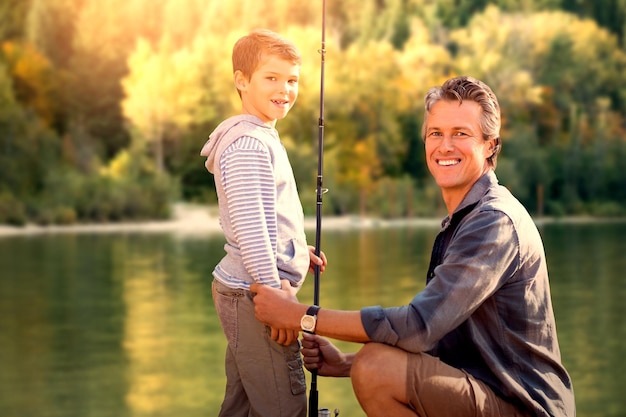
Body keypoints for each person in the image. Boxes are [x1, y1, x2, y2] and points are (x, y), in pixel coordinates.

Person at [251, 76, 576, 417]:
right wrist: (346, 363)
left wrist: (299, 316)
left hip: (526, 408)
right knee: (370, 361)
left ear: (491, 144)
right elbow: (440, 336)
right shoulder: (466, 219)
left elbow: (418, 328)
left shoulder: (494, 222)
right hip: (489, 393)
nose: (445, 146)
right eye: (436, 133)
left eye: (461, 134)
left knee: (376, 367)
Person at [200, 29, 326, 417]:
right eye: (271, 77)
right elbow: (252, 233)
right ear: (242, 80)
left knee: (242, 407)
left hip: (248, 289)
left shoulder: (258, 136)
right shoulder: (248, 145)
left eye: (292, 80)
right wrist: (277, 301)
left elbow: (259, 218)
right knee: (284, 408)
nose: (285, 89)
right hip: (256, 297)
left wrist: (294, 251)